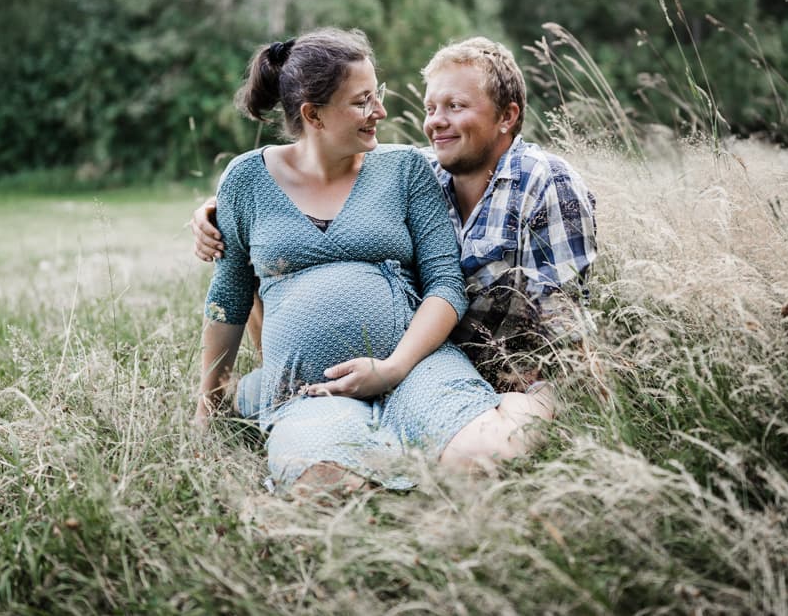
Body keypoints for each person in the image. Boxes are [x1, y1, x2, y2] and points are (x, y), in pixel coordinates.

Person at [197, 28, 556, 495]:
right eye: (363, 101)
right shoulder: (246, 180)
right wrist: (207, 408)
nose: (381, 112)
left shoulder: (405, 168)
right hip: (308, 389)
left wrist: (392, 368)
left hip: (418, 368)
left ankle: (538, 402)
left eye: (377, 95)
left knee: (485, 461)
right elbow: (228, 298)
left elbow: (446, 283)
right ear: (314, 115)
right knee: (324, 486)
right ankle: (356, 446)